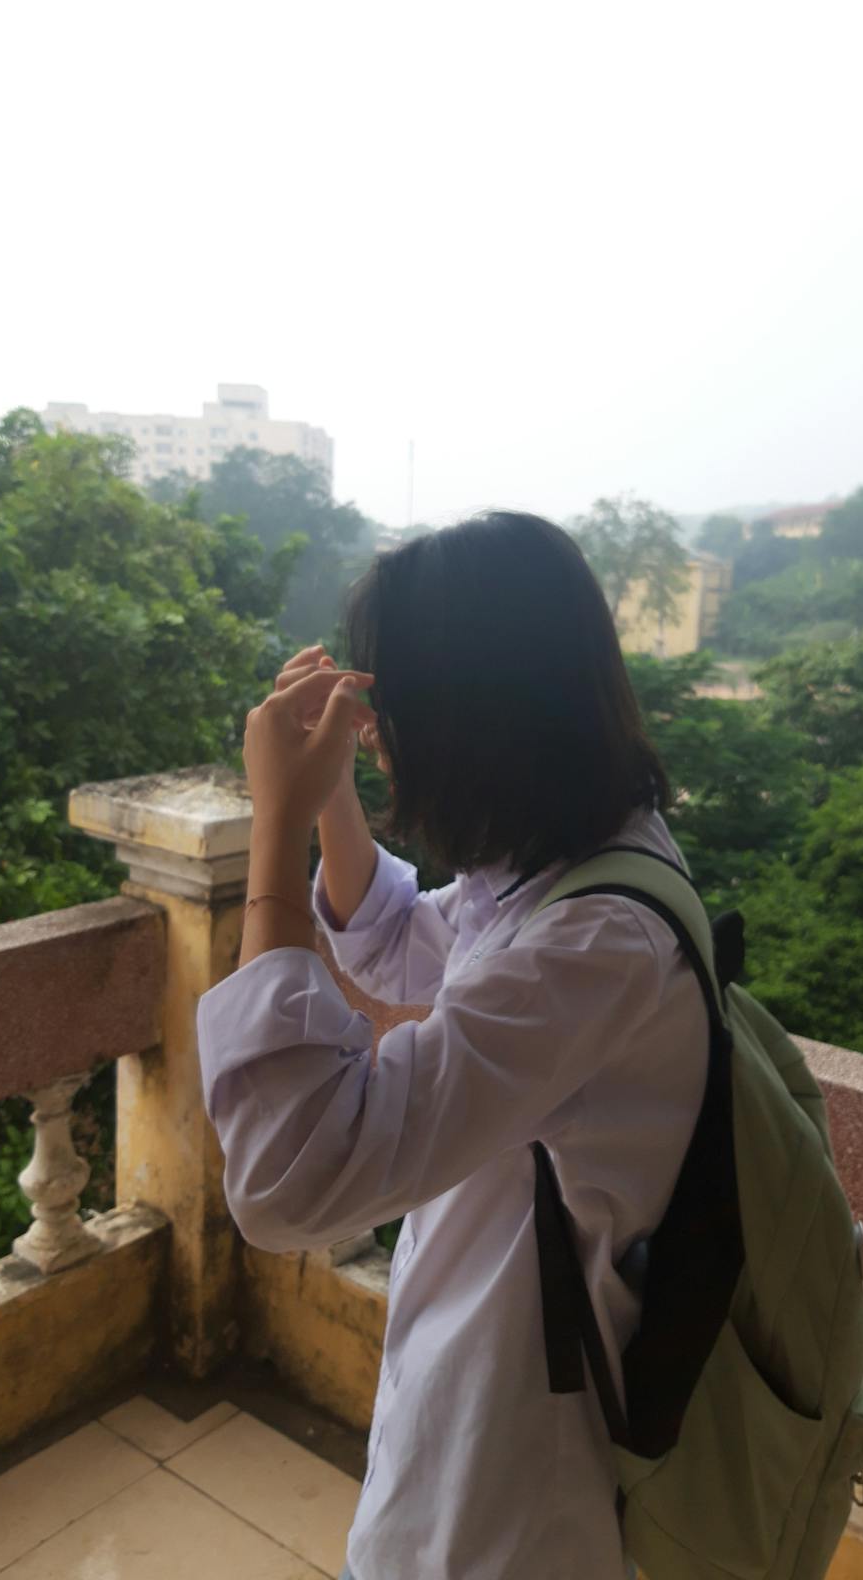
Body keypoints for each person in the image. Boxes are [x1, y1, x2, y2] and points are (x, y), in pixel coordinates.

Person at [196, 510, 710, 1580]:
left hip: (516, 1454)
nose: (380, 731)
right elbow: (405, 942)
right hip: (478, 1371)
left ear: (483, 715)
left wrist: (276, 831)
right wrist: (333, 798)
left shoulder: (597, 939)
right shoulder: (568, 867)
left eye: (398, 705)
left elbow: (294, 1174)